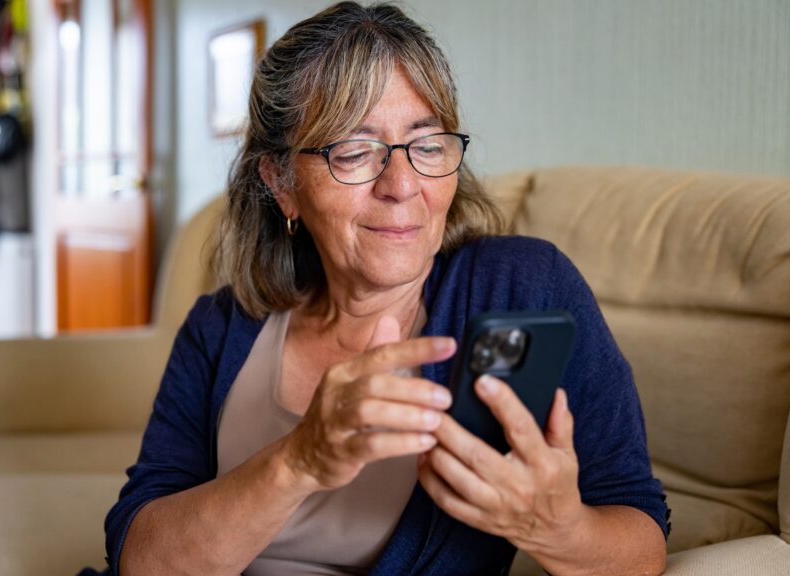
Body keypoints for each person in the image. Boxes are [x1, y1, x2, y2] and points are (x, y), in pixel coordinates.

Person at [102, 2, 669, 574]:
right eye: (353, 150)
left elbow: (642, 546)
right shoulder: (221, 326)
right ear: (281, 181)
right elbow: (140, 559)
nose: (401, 185)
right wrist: (300, 461)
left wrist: (559, 531)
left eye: (427, 146)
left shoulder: (522, 287)